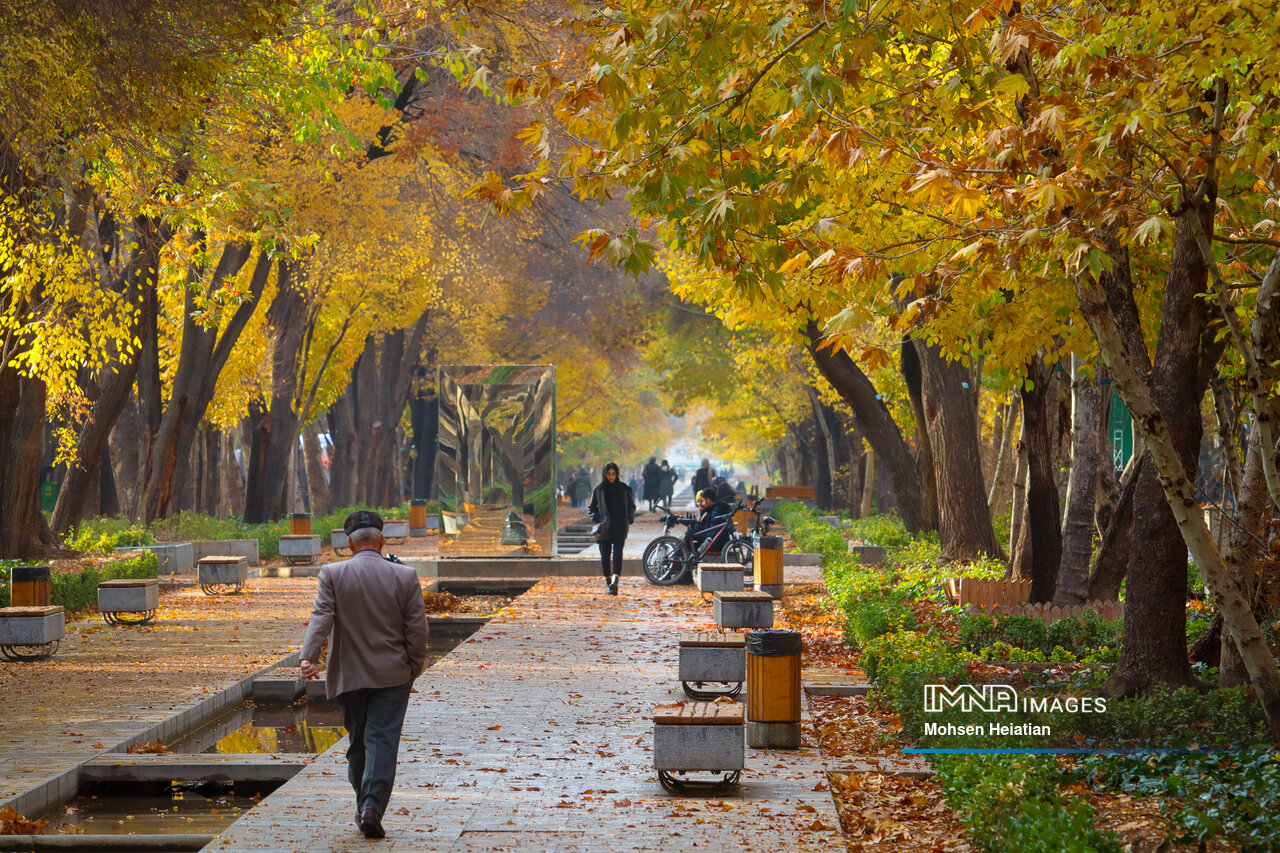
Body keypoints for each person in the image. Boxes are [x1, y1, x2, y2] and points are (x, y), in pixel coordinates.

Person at [300, 510, 430, 840]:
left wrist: (309, 656)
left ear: (349, 543)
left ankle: (366, 807)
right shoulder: (405, 576)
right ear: (382, 540)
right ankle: (370, 807)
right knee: (381, 740)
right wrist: (414, 666)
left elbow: (321, 617)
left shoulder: (332, 574)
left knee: (358, 744)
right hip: (393, 675)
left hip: (349, 676)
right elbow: (417, 630)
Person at [588, 461, 636, 595]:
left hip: (620, 526)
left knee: (617, 554)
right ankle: (608, 582)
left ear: (617, 474)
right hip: (604, 528)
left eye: (613, 474)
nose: (611, 477)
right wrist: (598, 519)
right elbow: (591, 508)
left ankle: (615, 583)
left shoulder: (624, 489)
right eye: (609, 474)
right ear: (605, 474)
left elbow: (631, 506)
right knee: (604, 556)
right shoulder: (599, 489)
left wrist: (629, 518)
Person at [691, 487, 734, 555]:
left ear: (708, 500)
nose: (702, 504)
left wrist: (699, 535)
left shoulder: (716, 511)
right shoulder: (713, 509)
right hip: (715, 540)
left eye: (703, 501)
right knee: (689, 541)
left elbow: (714, 532)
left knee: (689, 545)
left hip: (717, 543)